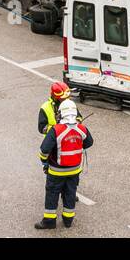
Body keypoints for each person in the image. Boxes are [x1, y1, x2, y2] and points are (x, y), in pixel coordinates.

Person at [36, 99, 93, 230]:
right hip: (74, 171)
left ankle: (49, 222)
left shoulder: (56, 130)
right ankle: (68, 220)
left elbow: (43, 150)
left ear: (61, 114)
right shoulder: (82, 128)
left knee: (52, 194)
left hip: (56, 171)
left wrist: (45, 162)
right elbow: (89, 142)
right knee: (70, 193)